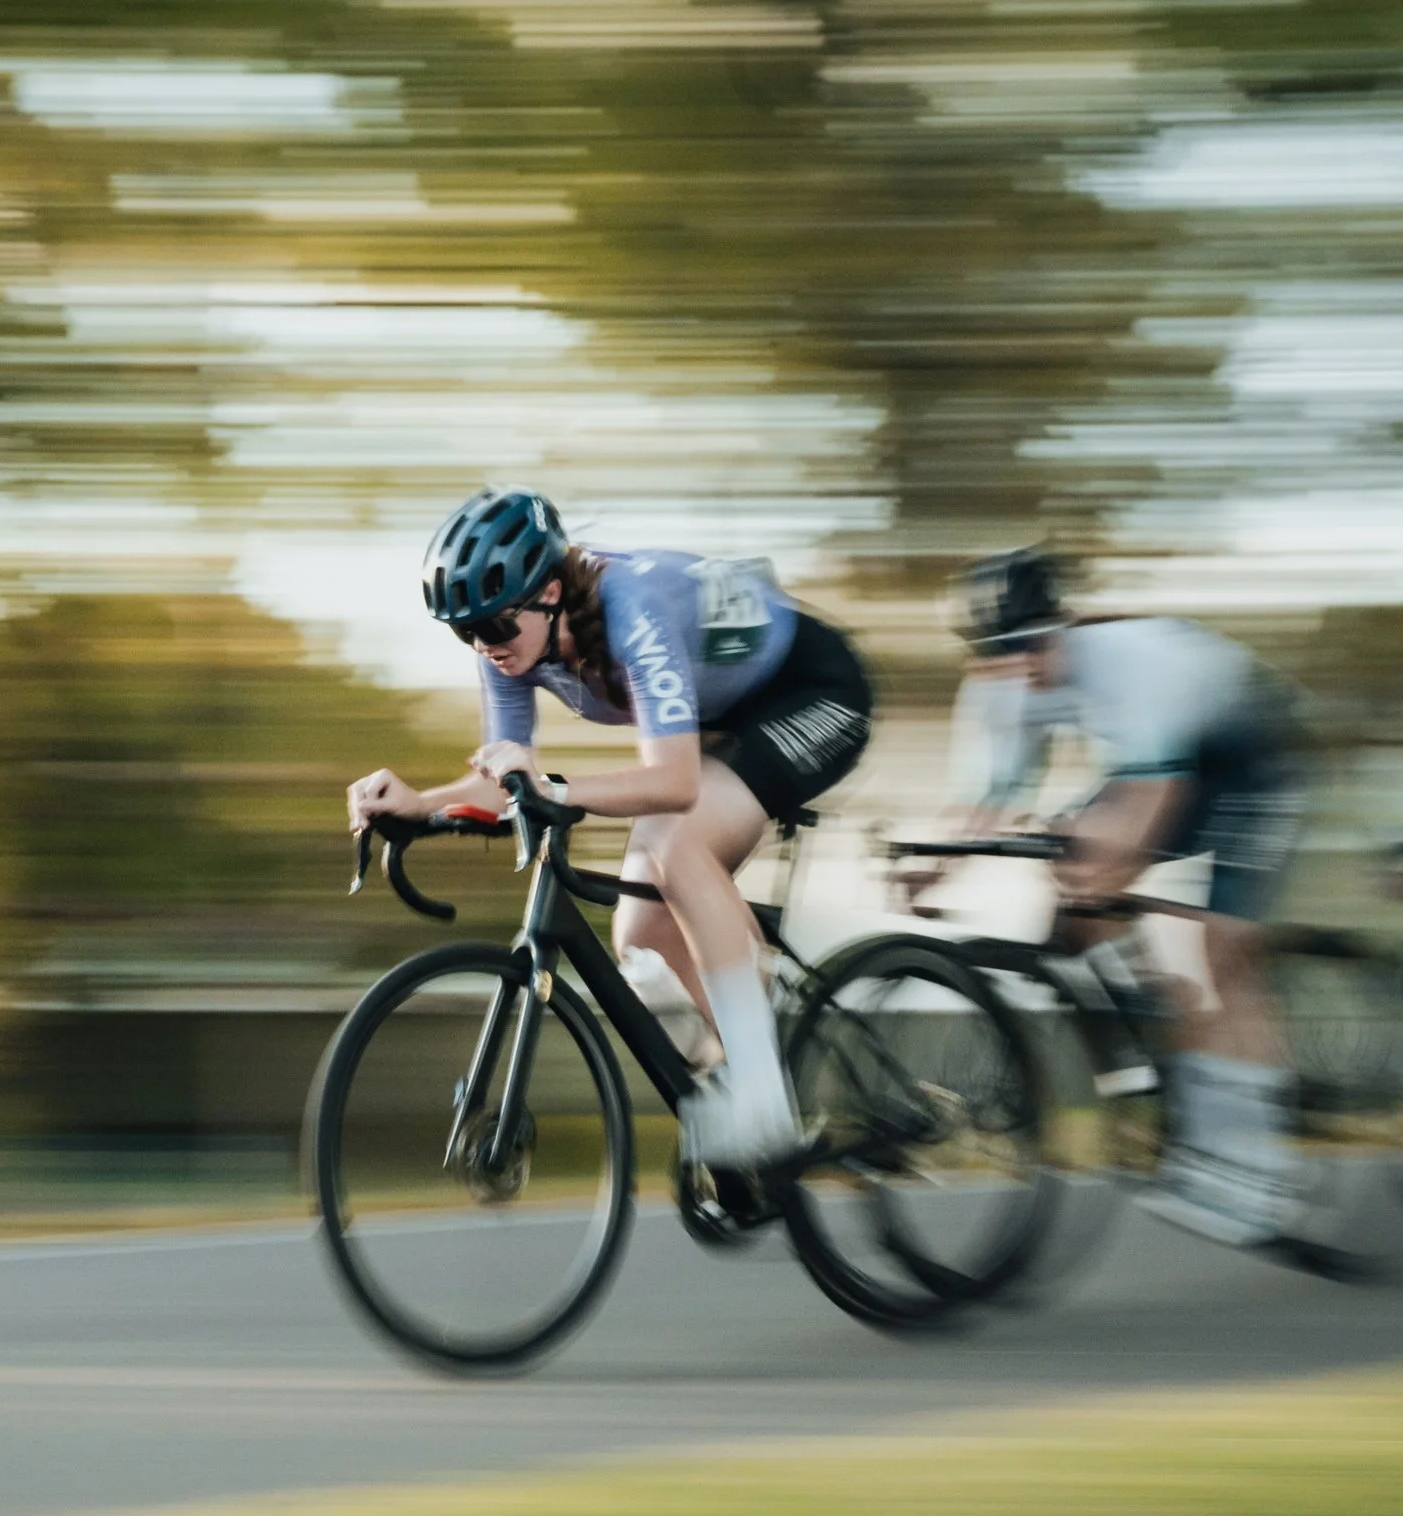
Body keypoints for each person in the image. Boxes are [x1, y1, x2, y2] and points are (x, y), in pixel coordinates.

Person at [345, 486, 874, 1170]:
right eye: (463, 630)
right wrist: (419, 803)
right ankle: (747, 1064)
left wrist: (556, 788)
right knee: (642, 937)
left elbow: (676, 782)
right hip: (740, 716)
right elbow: (504, 775)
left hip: (818, 691)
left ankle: (764, 1100)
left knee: (680, 846)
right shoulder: (508, 652)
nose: (483, 644)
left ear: (553, 593)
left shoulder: (632, 607)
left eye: (496, 626)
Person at [920, 547, 1312, 1247]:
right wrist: (937, 866)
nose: (1023, 666)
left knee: (1218, 947)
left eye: (1033, 645)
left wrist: (1111, 869)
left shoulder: (1131, 661)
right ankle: (1160, 1024)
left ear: (1061, 626)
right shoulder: (1001, 682)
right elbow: (991, 797)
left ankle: (1262, 1173)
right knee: (1073, 890)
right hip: (1160, 770)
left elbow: (1157, 797)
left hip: (1250, 762)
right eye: (998, 651)